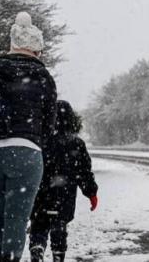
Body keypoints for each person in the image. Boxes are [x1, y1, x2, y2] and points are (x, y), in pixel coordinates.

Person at [0, 11, 57, 262]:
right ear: (36, 49)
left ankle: (1, 258)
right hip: (25, 152)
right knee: (17, 217)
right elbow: (49, 123)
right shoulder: (43, 77)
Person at [29, 100, 99, 262]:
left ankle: (37, 247)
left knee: (39, 223)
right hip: (64, 193)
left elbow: (28, 167)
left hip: (40, 191)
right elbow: (84, 172)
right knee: (59, 224)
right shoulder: (76, 143)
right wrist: (91, 193)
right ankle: (58, 255)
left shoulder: (38, 141)